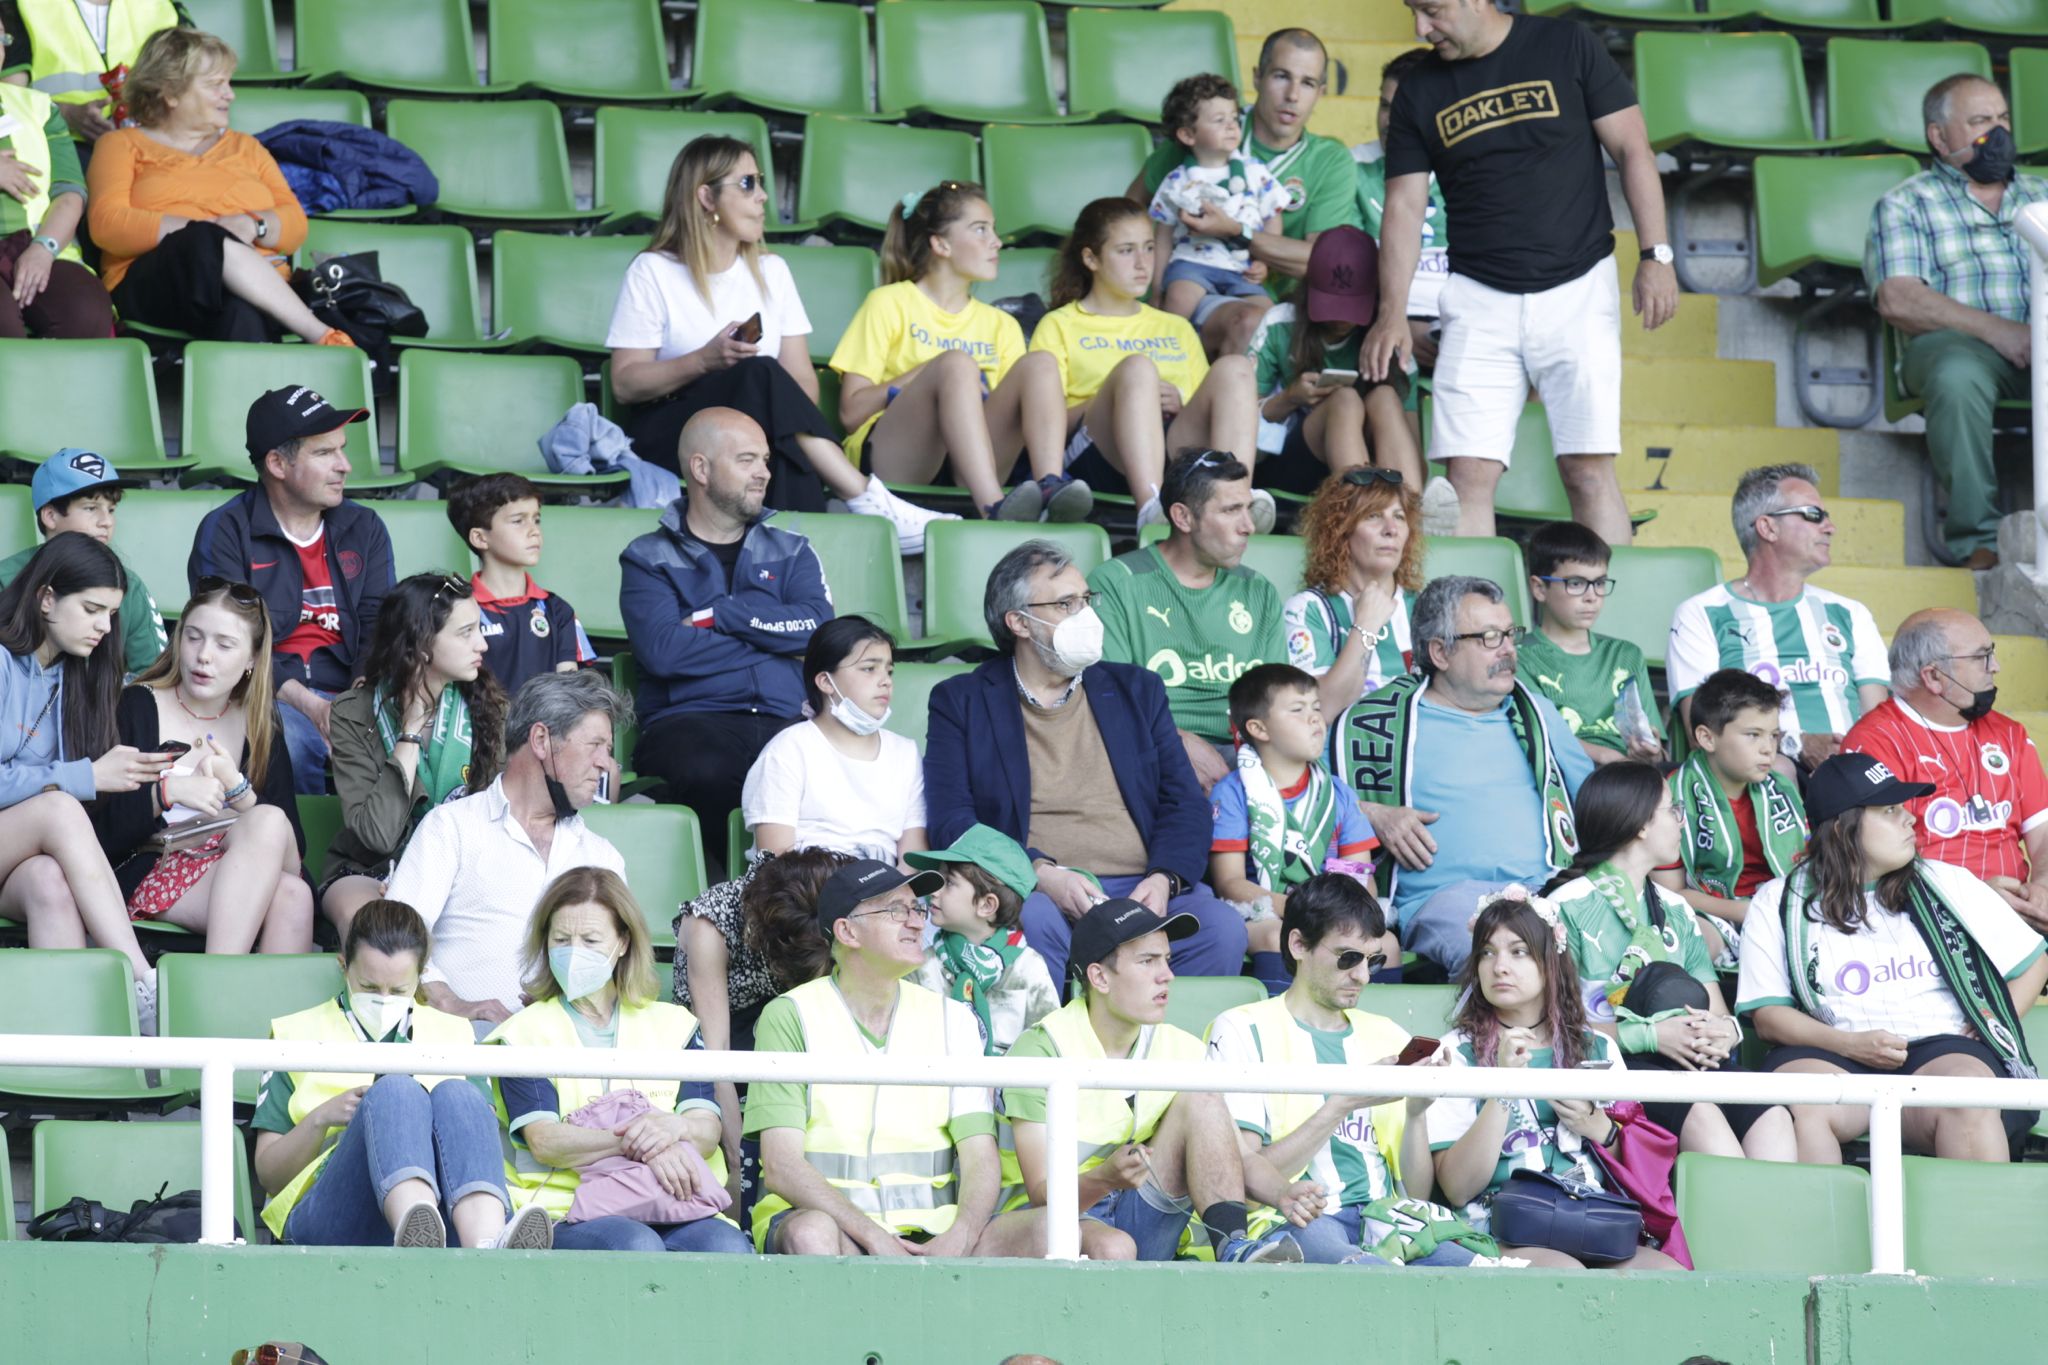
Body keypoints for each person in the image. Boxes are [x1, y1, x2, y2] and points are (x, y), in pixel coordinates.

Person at [1363, 0, 1678, 547]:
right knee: (1465, 480)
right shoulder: (1420, 88)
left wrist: (1656, 256)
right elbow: (1404, 210)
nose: (1421, 28)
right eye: (1414, 12)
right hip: (1478, 299)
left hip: (1579, 286)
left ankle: (1613, 620)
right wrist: (1391, 312)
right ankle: (1464, 630)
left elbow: (1633, 148)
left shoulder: (1567, 44)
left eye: (1431, 11)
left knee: (1587, 469)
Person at [923, 539, 1249, 988]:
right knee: (1031, 921)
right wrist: (1039, 874)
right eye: (1065, 603)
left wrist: (1163, 880)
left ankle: (1167, 1054)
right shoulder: (961, 701)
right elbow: (953, 820)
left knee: (1221, 929)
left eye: (1085, 600)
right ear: (1018, 622)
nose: (1085, 615)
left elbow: (1184, 803)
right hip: (1040, 890)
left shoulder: (1138, 690)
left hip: (1142, 888)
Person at [605, 134, 945, 550]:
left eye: (761, 182)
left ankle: (800, 560)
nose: (763, 196)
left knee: (775, 425)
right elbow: (625, 383)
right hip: (673, 432)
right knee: (759, 370)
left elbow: (803, 381)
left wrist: (773, 416)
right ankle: (861, 498)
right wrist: (704, 361)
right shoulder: (653, 270)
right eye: (748, 184)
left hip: (754, 432)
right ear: (706, 198)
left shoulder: (773, 270)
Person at [1737, 754, 2048, 1165]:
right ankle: (1823, 1225)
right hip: (1833, 1048)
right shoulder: (1778, 901)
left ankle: (1977, 1228)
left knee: (1968, 1093)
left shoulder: (1947, 881)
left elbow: (2033, 962)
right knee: (1803, 1105)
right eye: (1889, 810)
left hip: (1939, 1048)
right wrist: (1850, 1043)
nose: (1909, 820)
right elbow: (1769, 1016)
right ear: (1845, 828)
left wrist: (1987, 1019)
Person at [975, 898, 1303, 1263]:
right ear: (1099, 977)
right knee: (1114, 1246)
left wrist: (1282, 1192)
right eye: (1148, 961)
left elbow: (1237, 1157)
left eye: (1166, 960)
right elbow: (1040, 1194)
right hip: (1040, 1225)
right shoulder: (1041, 1049)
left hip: (1133, 1218)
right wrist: (1106, 1178)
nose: (1167, 975)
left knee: (1202, 1100)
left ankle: (1235, 1248)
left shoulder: (1181, 1048)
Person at [1208, 874, 1498, 1266]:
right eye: (1347, 958)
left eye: (1372, 960)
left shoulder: (1387, 1034)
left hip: (1387, 1223)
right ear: (1298, 945)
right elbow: (1241, 1183)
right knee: (1367, 1272)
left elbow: (1416, 1192)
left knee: (1482, 1274)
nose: (1362, 975)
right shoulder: (1243, 1029)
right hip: (1288, 1222)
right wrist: (1340, 1105)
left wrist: (1416, 1110)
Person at [251, 897, 553, 1250]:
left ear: (421, 977)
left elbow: (473, 1144)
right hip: (327, 1217)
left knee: (457, 1095)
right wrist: (320, 1119)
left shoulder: (457, 1033)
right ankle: (415, 1225)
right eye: (368, 986)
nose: (383, 999)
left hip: (449, 1218)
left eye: (397, 991)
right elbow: (270, 1176)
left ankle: (487, 1243)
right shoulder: (294, 1034)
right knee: (397, 1089)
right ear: (343, 966)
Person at [745, 858, 1004, 1257]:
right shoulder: (791, 1014)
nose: (918, 922)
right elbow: (781, 1166)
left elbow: (980, 1156)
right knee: (811, 1233)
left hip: (933, 1228)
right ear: (847, 932)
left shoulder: (955, 1020)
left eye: (916, 910)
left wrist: (963, 1233)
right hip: (828, 1223)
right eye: (896, 911)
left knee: (1045, 1232)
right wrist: (874, 1237)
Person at [1335, 574, 1594, 974]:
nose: (1508, 649)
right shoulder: (1374, 721)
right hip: (1449, 900)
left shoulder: (1537, 713)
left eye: (1511, 634)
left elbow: (1597, 804)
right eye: (1490, 638)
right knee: (1501, 958)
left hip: (1548, 888)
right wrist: (1372, 813)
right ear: (1440, 652)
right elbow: (1303, 791)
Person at [487, 867, 751, 1254]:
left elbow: (707, 1131)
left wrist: (674, 1126)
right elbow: (545, 1142)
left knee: (726, 1248)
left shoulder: (675, 1025)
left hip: (676, 1202)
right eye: (561, 939)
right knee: (635, 1245)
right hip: (566, 1210)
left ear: (623, 942)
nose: (574, 951)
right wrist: (649, 1142)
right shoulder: (522, 1032)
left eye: (591, 940)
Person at [1542, 763, 1797, 1162]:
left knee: (1774, 1116)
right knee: (1704, 1119)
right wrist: (1654, 1037)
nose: (1682, 822)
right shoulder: (1564, 908)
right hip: (1613, 1068)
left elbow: (1717, 1009)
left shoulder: (1676, 909)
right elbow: (1555, 1028)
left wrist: (1725, 1034)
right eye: (1673, 811)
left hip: (1689, 1064)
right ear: (1641, 823)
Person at [1426, 888, 1682, 1268]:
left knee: (1667, 1275)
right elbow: (1457, 1188)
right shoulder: (1455, 1053)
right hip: (1500, 1225)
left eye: (1519, 951)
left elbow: (1639, 1170)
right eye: (1487, 952)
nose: (1499, 967)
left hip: (1593, 1221)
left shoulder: (1598, 1048)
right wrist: (1502, 1088)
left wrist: (1595, 1125)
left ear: (1550, 962)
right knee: (1564, 1272)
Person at [620, 406, 832, 860]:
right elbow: (663, 652)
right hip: (691, 722)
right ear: (701, 468)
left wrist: (723, 616)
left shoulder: (793, 550)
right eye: (747, 460)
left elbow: (817, 634)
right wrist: (775, 647)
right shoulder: (647, 557)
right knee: (711, 770)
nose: (764, 474)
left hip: (787, 717)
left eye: (766, 461)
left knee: (827, 771)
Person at [1867, 75, 2048, 571]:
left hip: (2043, 346)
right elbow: (1899, 298)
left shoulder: (2043, 195)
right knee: (1957, 374)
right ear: (1939, 137)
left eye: (2003, 119)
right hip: (1958, 348)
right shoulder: (1907, 201)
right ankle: (1979, 544)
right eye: (1979, 122)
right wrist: (2000, 331)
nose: (1998, 132)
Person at [383, 669, 628, 1026]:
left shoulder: (603, 857)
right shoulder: (451, 827)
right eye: (595, 745)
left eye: (608, 750)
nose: (606, 763)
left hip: (565, 1054)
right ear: (541, 740)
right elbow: (395, 939)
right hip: (464, 1049)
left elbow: (624, 968)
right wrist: (454, 1005)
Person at [830, 180, 1082, 525]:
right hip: (900, 459)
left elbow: (1013, 418)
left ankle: (1050, 487)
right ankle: (993, 509)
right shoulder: (889, 302)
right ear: (941, 244)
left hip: (974, 464)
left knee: (1040, 363)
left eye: (994, 230)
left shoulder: (1001, 324)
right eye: (980, 230)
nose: (996, 242)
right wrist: (930, 373)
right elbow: (850, 413)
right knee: (956, 364)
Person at [189, 383, 395, 795]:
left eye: (342, 449)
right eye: (324, 453)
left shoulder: (364, 527)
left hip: (353, 687)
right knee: (294, 744)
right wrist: (313, 707)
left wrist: (351, 707)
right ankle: (296, 856)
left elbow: (379, 625)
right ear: (278, 465)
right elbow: (236, 639)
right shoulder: (227, 530)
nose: (345, 466)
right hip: (264, 690)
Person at [0, 532, 170, 1027]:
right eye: (93, 609)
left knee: (49, 883)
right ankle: (139, 977)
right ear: (47, 598)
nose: (103, 626)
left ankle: (75, 1059)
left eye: (111, 614)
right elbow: (60, 791)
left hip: (16, 857)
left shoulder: (80, 675)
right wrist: (86, 776)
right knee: (59, 808)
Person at [84, 28, 346, 344]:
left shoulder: (247, 147)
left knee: (240, 311)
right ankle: (320, 335)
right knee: (204, 240)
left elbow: (294, 224)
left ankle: (257, 391)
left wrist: (254, 225)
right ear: (170, 93)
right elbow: (108, 225)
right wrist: (212, 230)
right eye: (215, 85)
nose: (230, 94)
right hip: (155, 285)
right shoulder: (120, 144)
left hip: (254, 293)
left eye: (229, 83)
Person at [95, 576, 311, 952]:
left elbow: (293, 857)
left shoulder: (259, 724)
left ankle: (258, 1008)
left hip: (232, 869)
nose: (204, 655)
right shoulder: (138, 706)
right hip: (151, 865)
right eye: (193, 636)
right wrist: (167, 794)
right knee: (287, 884)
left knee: (293, 893)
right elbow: (101, 833)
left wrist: (238, 790)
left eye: (224, 644)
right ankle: (219, 983)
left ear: (252, 659)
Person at [1029, 197, 1262, 533]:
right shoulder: (1060, 324)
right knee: (1138, 370)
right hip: (1098, 454)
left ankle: (1238, 500)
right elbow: (1045, 425)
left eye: (1149, 248)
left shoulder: (1176, 327)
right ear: (1090, 258)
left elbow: (1204, 409)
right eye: (1126, 251)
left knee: (1236, 369)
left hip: (1174, 450)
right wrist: (1116, 396)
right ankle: (1151, 509)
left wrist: (1179, 405)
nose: (1142, 263)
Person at [1130, 28, 1366, 359]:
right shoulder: (1210, 126)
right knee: (1249, 321)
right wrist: (1150, 288)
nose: (1293, 95)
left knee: (1261, 320)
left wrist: (1237, 233)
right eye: (1282, 76)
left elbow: (1321, 263)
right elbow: (1128, 210)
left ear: (1321, 92)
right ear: (1257, 77)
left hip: (1254, 290)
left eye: (1308, 83)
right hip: (1189, 280)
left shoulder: (1330, 159)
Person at [319, 574, 507, 943]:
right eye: (465, 632)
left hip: (464, 872)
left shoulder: (492, 709)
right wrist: (410, 732)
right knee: (381, 931)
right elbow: (377, 836)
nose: (481, 643)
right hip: (371, 870)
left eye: (478, 629)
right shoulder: (353, 712)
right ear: (422, 645)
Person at [1667, 464, 1888, 774]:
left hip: (1850, 772)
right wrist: (1798, 743)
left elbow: (1878, 721)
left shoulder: (1850, 613)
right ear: (1768, 528)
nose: (1830, 527)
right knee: (1779, 771)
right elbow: (1703, 731)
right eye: (1814, 515)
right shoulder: (1702, 613)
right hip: (1762, 772)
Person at [1091, 448, 1284, 793]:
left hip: (1252, 755)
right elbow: (1109, 700)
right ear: (1182, 517)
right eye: (1231, 511)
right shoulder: (1117, 583)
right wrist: (1175, 743)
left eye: (1248, 509)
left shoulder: (1258, 590)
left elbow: (1280, 702)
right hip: (1156, 750)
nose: (1249, 526)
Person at [1845, 611, 2047, 926]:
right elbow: (1874, 866)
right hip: (1924, 923)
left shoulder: (2010, 734)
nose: (1995, 666)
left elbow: (2043, 830)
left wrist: (2042, 888)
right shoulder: (1875, 742)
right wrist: (1976, 900)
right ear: (1934, 677)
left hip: (2017, 917)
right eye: (1982, 656)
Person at [674, 847, 850, 1201]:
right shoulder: (713, 923)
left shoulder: (832, 906)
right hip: (729, 1040)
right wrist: (742, 1162)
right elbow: (715, 1053)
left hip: (795, 1031)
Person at [1208, 664, 1380, 975]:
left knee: (1387, 946)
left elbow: (1361, 876)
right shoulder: (1233, 793)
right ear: (1259, 729)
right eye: (1298, 710)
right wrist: (1302, 911)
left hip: (1335, 914)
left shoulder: (1338, 793)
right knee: (1279, 938)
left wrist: (1346, 916)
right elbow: (1229, 882)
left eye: (1316, 707)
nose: (1315, 717)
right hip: (1266, 914)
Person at [1247, 226, 1421, 494]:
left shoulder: (1392, 342)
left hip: (1383, 475)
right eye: (1330, 304)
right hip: (1291, 465)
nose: (1341, 318)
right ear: (1309, 287)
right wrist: (1290, 398)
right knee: (1344, 399)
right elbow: (1241, 426)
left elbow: (1414, 456)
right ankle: (1362, 512)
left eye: (1352, 306)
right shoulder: (1280, 322)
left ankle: (1411, 515)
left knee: (1384, 396)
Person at [740, 615, 926, 864]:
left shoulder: (905, 753)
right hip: (806, 895)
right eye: (869, 669)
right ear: (826, 681)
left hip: (889, 896)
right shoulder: (787, 751)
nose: (886, 681)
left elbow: (912, 858)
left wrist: (893, 899)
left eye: (889, 670)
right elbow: (777, 865)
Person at [1654, 669, 1807, 966]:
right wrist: (1747, 912)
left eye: (1773, 736)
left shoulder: (1782, 788)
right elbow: (1668, 893)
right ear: (1706, 738)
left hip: (1781, 905)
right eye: (1753, 735)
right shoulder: (1671, 796)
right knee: (1691, 942)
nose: (1768, 749)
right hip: (1712, 915)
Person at [1146, 73, 1286, 337]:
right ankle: (1168, 367)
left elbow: (1272, 216)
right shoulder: (1178, 180)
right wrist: (1157, 289)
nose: (1232, 126)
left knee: (1270, 318)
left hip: (1242, 269)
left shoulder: (1255, 172)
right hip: (1192, 264)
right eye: (1219, 120)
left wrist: (1264, 261)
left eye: (1234, 118)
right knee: (1176, 306)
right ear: (1188, 135)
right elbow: (1162, 234)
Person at [0, 448, 164, 673]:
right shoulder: (6, 578)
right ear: (50, 516)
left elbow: (154, 674)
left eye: (111, 510)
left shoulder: (128, 586)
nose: (106, 521)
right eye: (90, 508)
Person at [1515, 520, 1663, 768]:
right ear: (1540, 588)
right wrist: (1606, 757)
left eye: (1600, 583)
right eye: (1576, 583)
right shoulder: (1519, 656)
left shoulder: (1625, 655)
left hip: (1631, 783)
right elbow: (1539, 735)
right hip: (1563, 780)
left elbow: (1656, 747)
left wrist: (1653, 753)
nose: (1591, 596)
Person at [1282, 467, 1423, 721]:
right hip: (1348, 755)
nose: (1391, 529)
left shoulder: (1425, 607)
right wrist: (1366, 626)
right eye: (1373, 516)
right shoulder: (1309, 609)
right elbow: (1321, 712)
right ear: (1340, 530)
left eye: (1399, 517)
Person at [905, 824, 1059, 1056]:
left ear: (986, 905)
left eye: (949, 883)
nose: (934, 892)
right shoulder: (922, 964)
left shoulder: (1028, 967)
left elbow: (1049, 1045)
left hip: (1009, 1089)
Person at [1354, 48, 1452, 394]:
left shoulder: (1464, 169)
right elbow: (1345, 271)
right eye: (1384, 106)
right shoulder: (1353, 166)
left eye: (1403, 108)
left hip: (1458, 322)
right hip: (1382, 319)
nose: (1389, 120)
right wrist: (1402, 322)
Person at [446, 474, 596, 698]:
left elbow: (569, 695)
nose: (534, 531)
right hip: (475, 729)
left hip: (544, 729)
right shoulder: (454, 609)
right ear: (479, 538)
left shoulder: (558, 611)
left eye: (536, 519)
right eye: (518, 521)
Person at [0, 39, 113, 338]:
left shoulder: (37, 107)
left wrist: (43, 249)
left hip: (34, 245)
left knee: (85, 312)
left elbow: (69, 193)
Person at [1, 0, 187, 145]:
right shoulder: (18, 5)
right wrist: (65, 114)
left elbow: (200, 80)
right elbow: (10, 98)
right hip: (62, 144)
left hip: (156, 141)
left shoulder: (166, 5)